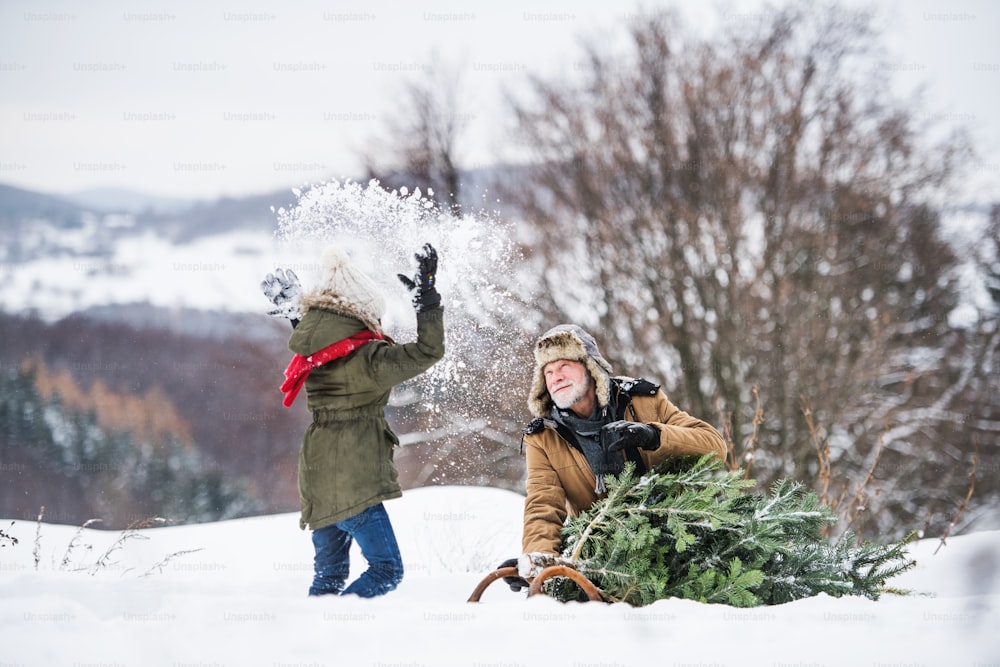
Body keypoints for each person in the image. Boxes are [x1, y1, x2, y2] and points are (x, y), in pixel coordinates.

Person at [261, 243, 444, 597]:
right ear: (365, 312)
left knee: (329, 578)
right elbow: (428, 350)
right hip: (354, 481)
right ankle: (340, 631)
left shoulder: (313, 352)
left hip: (315, 476)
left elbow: (324, 335)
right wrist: (427, 299)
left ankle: (318, 634)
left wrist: (299, 314)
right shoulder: (371, 358)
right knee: (386, 570)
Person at [502, 324, 727, 587]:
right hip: (604, 562)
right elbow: (543, 506)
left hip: (676, 545)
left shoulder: (642, 401)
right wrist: (537, 563)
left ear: (590, 366)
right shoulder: (542, 436)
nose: (556, 377)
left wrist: (653, 435)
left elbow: (714, 448)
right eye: (548, 371)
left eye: (564, 366)